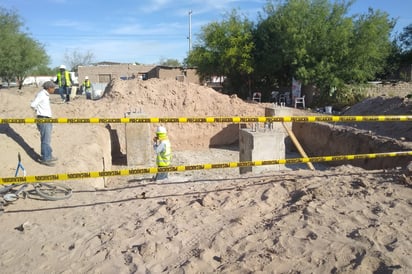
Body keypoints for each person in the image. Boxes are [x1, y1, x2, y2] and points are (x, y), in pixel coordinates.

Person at [30, 81, 58, 166]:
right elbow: (33, 105)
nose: (54, 90)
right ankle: (45, 158)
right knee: (45, 140)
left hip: (47, 118)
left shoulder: (45, 95)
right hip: (43, 119)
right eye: (53, 88)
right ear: (49, 88)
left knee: (47, 139)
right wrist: (37, 115)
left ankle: (49, 155)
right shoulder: (41, 95)